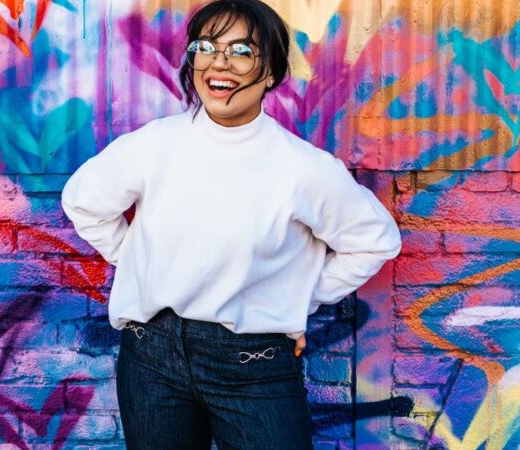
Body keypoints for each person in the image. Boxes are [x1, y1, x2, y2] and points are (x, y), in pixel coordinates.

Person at [61, 0, 401, 448]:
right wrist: (138, 263)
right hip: (151, 359)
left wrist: (298, 298)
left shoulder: (302, 168)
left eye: (241, 51)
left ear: (271, 73)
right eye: (206, 47)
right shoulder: (156, 145)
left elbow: (375, 241)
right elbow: (83, 201)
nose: (218, 63)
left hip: (254, 366)